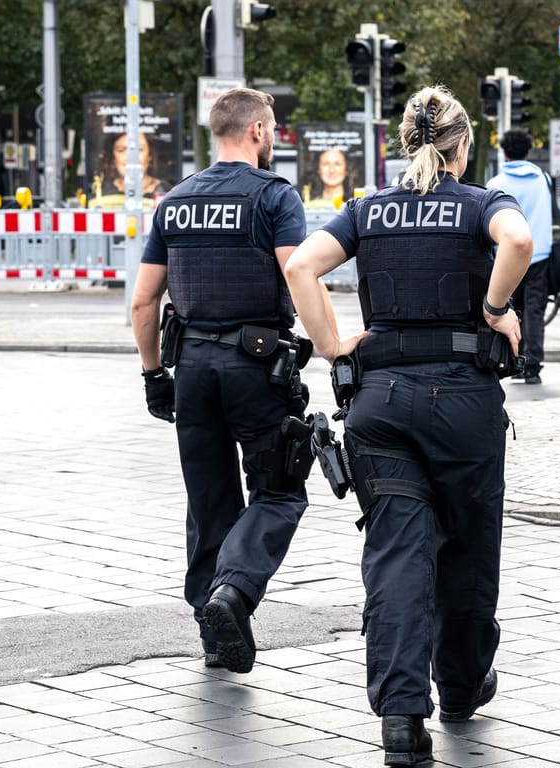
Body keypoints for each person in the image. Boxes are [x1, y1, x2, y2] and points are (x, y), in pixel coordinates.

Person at [283, 85, 532, 767]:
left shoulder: (368, 209)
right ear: (461, 146)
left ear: (405, 144)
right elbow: (519, 240)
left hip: (381, 405)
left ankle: (400, 717)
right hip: (462, 406)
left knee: (396, 555)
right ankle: (457, 688)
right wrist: (494, 307)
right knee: (469, 550)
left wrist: (334, 348)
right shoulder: (483, 203)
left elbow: (301, 266)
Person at [129, 88, 310, 676]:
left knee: (209, 500)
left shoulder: (174, 202)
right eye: (273, 125)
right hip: (256, 368)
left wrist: (155, 374)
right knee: (279, 491)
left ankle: (213, 628)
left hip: (193, 372)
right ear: (257, 131)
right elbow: (298, 275)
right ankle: (232, 594)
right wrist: (333, 347)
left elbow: (143, 301)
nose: (275, 132)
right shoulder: (274, 198)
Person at [487, 128, 552, 385]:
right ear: (528, 151)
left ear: (504, 152)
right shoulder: (543, 179)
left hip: (506, 256)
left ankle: (513, 360)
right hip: (540, 254)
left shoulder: (495, 185)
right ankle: (533, 365)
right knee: (534, 311)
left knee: (507, 307)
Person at [93, 131, 171, 209]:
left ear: (150, 155)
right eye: (121, 150)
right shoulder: (102, 192)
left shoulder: (165, 191)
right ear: (113, 157)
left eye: (139, 149)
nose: (130, 157)